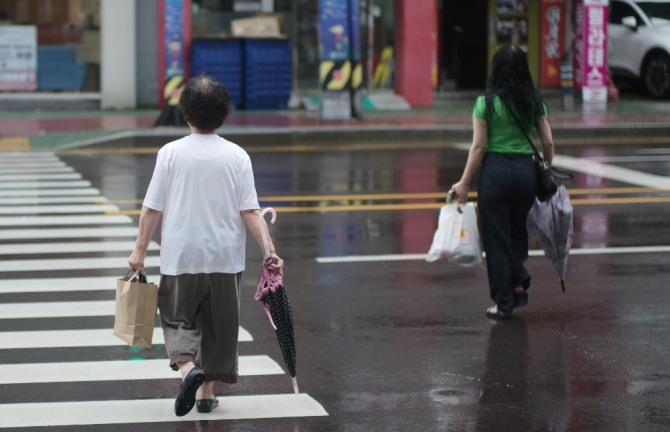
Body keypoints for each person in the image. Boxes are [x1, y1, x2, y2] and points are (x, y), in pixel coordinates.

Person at [128, 74, 284, 416]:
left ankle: (187, 369)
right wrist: (269, 251)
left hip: (181, 256)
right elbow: (250, 211)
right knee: (218, 329)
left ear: (185, 112)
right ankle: (204, 395)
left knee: (177, 319)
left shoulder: (170, 153)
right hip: (225, 258)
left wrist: (139, 250)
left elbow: (152, 207)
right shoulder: (237, 156)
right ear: (224, 113)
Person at [450, 44, 554, 319]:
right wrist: (546, 167)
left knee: (496, 240)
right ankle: (518, 283)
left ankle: (504, 303)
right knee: (517, 232)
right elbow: (548, 142)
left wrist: (464, 183)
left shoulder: (485, 102)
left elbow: (478, 147)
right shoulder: (534, 100)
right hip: (525, 174)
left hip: (495, 173)